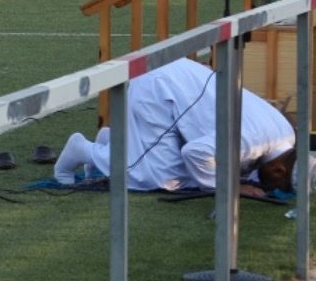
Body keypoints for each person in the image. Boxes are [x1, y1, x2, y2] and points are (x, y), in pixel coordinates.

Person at [55, 58, 298, 192]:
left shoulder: (287, 135)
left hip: (178, 84)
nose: (272, 189)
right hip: (160, 89)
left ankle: (111, 141)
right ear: (279, 170)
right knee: (154, 177)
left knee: (186, 175)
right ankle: (82, 150)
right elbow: (195, 153)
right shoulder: (252, 141)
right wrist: (232, 190)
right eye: (279, 186)